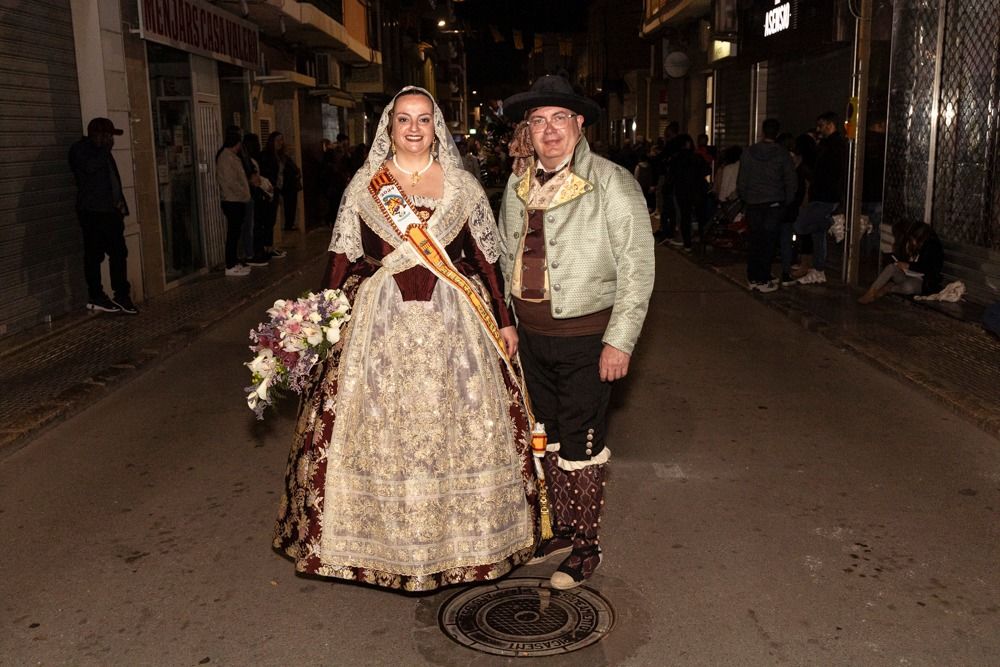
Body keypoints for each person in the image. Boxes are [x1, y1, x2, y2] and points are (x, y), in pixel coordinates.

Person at [273, 87, 538, 592]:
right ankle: (381, 547)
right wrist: (318, 321)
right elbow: (342, 261)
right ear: (388, 127)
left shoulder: (463, 186)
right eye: (403, 120)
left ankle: (466, 542)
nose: (413, 128)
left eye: (423, 119)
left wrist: (504, 320)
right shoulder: (365, 186)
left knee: (456, 429)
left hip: (454, 327)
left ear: (436, 126)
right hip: (380, 325)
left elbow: (484, 262)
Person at [499, 75, 655, 589]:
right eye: (539, 121)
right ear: (530, 128)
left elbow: (638, 266)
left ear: (579, 123)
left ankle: (587, 547)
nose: (549, 130)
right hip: (532, 337)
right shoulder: (518, 184)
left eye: (559, 119)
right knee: (548, 439)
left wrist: (620, 339)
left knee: (582, 446)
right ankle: (561, 529)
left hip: (589, 338)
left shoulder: (612, 181)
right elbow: (505, 257)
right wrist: (507, 321)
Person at [68, 117, 138, 314]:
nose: (111, 140)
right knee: (94, 254)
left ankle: (122, 295)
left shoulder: (103, 152)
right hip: (92, 212)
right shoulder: (81, 150)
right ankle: (96, 295)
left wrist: (120, 205)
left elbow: (112, 180)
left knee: (119, 253)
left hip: (110, 212)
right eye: (108, 136)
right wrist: (104, 150)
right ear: (98, 135)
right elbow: (89, 169)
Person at [737, 118, 797, 292]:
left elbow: (742, 180)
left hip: (753, 203)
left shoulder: (748, 152)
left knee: (755, 240)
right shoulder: (782, 154)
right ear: (777, 133)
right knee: (769, 242)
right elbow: (790, 180)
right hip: (774, 203)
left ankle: (753, 277)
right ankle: (763, 278)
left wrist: (746, 198)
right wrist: (787, 200)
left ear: (762, 132)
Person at [794, 111, 848, 285]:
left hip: (826, 195)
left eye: (821, 126)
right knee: (817, 234)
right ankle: (819, 270)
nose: (818, 130)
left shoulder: (835, 146)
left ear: (830, 125)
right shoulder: (827, 145)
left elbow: (832, 173)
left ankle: (832, 221)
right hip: (822, 194)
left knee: (801, 224)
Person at [858, 221, 943, 303]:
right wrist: (902, 263)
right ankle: (871, 292)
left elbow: (927, 268)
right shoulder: (912, 244)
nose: (913, 241)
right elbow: (905, 259)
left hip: (923, 282)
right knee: (891, 267)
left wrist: (908, 266)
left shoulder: (933, 246)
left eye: (914, 239)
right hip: (908, 275)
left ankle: (889, 288)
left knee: (908, 288)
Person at [215, 126, 252, 277]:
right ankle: (230, 265)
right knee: (233, 234)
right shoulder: (226, 158)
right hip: (233, 201)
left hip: (237, 200)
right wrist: (244, 194)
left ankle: (234, 261)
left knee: (235, 233)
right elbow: (231, 182)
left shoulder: (231, 157)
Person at [259, 132, 296, 249]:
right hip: (268, 190)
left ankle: (269, 246)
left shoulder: (280, 156)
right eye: (278, 140)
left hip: (277, 189)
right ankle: (265, 246)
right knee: (267, 219)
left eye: (282, 140)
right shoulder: (266, 155)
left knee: (271, 219)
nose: (281, 143)